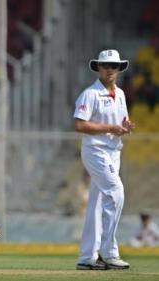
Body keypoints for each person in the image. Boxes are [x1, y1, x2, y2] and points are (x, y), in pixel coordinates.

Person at [74, 49, 135, 270]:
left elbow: (122, 120)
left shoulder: (120, 94)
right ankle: (109, 252)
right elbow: (80, 124)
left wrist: (125, 127)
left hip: (113, 151)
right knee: (116, 192)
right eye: (105, 65)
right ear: (98, 67)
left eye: (114, 66)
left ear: (119, 69)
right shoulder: (90, 94)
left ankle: (87, 257)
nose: (110, 69)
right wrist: (110, 128)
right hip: (96, 150)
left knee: (97, 203)